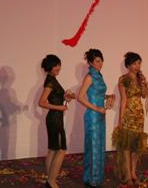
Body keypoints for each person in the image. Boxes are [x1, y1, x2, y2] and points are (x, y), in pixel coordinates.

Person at [113, 52, 148, 185]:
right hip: (128, 114)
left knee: (136, 146)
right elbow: (123, 99)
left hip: (139, 115)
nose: (137, 66)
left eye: (139, 63)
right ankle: (128, 176)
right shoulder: (123, 79)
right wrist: (121, 119)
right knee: (127, 146)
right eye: (134, 63)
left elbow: (144, 95)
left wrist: (144, 84)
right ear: (128, 65)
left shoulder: (141, 78)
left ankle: (134, 173)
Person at [39, 55, 73, 188]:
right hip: (55, 119)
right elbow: (41, 102)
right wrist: (59, 107)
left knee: (53, 150)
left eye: (59, 64)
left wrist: (65, 98)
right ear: (49, 67)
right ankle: (52, 181)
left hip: (54, 118)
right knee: (61, 150)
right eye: (55, 65)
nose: (58, 67)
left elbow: (55, 98)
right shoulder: (50, 82)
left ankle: (50, 179)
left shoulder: (52, 80)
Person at [77, 49, 110, 187]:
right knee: (93, 147)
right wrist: (97, 109)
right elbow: (80, 97)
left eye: (101, 60)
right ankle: (92, 180)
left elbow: (98, 94)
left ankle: (95, 177)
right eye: (97, 61)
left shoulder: (99, 75)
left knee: (99, 146)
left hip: (101, 116)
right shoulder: (90, 77)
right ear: (90, 62)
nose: (100, 63)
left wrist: (109, 97)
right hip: (93, 116)